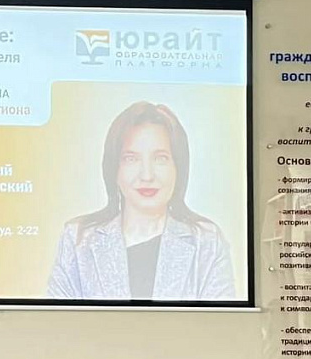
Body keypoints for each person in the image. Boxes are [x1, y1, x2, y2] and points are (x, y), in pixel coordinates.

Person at [47, 101, 235, 301]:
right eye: (131, 159)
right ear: (114, 169)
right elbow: (57, 318)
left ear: (178, 168)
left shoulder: (207, 242)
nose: (147, 175)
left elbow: (221, 320)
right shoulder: (78, 240)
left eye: (160, 158)